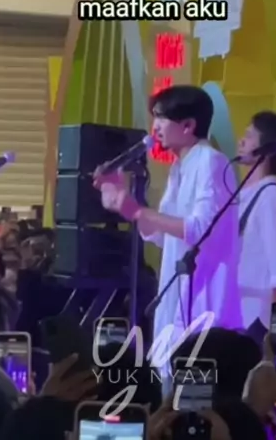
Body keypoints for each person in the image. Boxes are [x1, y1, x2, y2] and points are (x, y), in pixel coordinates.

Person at [93, 85, 242, 365]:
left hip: (203, 299)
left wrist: (138, 211)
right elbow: (161, 236)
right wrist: (123, 203)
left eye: (161, 117)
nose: (155, 127)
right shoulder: (179, 168)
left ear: (188, 125)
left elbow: (200, 230)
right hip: (175, 296)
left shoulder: (211, 162)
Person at [237, 111, 276, 341]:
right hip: (237, 314)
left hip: (257, 320)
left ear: (267, 148)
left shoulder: (271, 198)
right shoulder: (244, 196)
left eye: (249, 136)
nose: (241, 141)